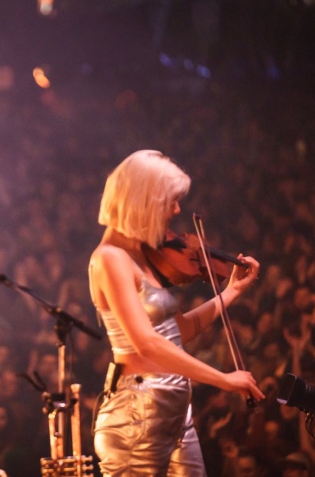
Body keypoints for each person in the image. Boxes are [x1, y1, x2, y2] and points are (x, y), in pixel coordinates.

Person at [88, 150, 265, 476]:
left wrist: (232, 292)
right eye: (169, 200)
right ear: (142, 199)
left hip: (173, 410)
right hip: (136, 416)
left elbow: (174, 332)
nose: (177, 209)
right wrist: (223, 380)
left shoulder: (142, 253)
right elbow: (146, 344)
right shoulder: (109, 258)